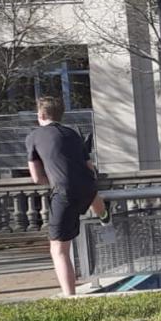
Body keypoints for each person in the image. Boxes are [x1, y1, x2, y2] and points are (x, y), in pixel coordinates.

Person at [26, 95, 106, 297]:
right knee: (91, 193)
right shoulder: (72, 133)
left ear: (41, 114)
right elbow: (90, 168)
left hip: (63, 192)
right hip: (88, 187)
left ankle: (69, 297)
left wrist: (53, 178)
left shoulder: (33, 137)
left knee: (58, 249)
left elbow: (36, 178)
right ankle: (106, 218)